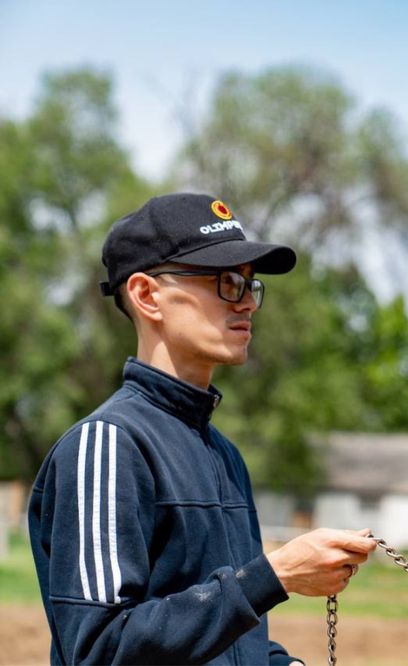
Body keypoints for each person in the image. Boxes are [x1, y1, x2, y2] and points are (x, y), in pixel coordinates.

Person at [28, 193, 376, 664]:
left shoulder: (225, 455)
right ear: (147, 295)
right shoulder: (106, 445)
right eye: (226, 282)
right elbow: (99, 649)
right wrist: (272, 576)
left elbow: (228, 642)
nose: (247, 304)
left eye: (250, 286)